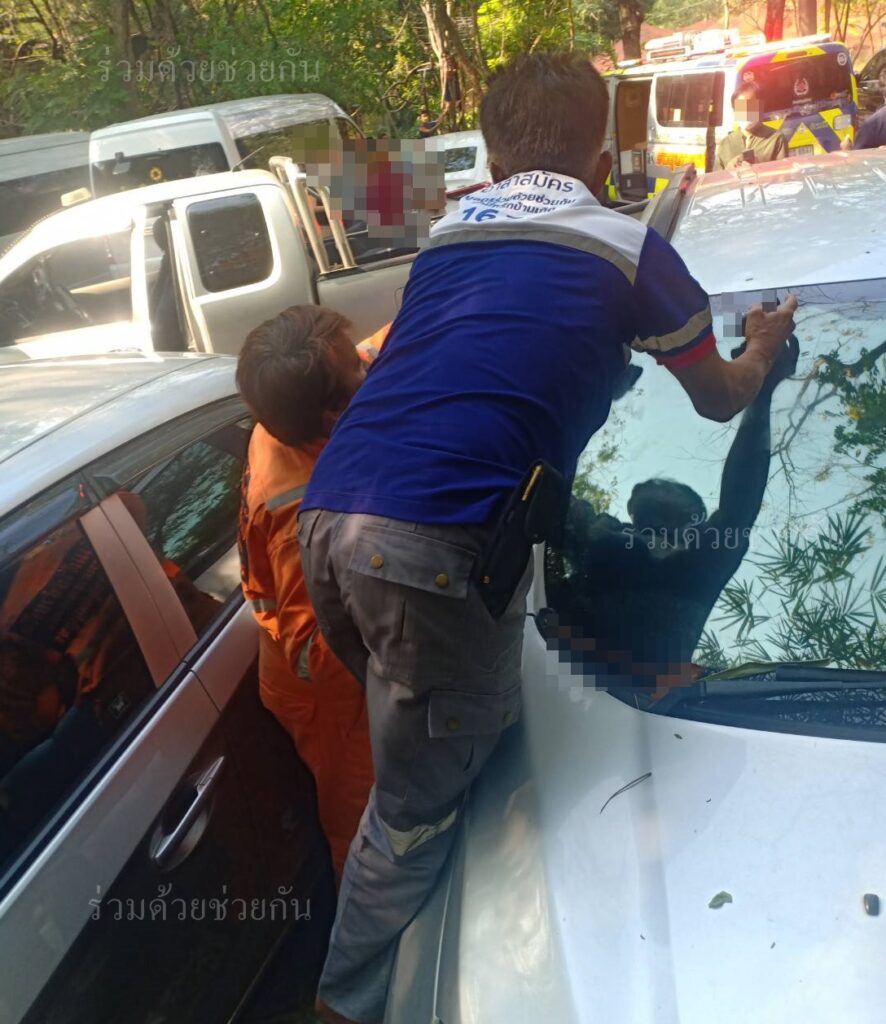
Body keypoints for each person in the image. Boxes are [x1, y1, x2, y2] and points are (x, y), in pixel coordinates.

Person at [299, 53, 798, 1024]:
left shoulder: (450, 235)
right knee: (415, 815)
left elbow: (479, 373)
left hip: (328, 518)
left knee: (425, 757)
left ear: (491, 164)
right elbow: (716, 404)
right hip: (429, 549)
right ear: (603, 161)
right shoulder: (631, 252)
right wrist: (763, 356)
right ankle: (341, 1002)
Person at [546, 336, 800, 691]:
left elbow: (739, 504)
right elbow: (550, 492)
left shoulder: (704, 557)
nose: (652, 488)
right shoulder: (603, 531)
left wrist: (761, 393)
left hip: (644, 701)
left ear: (693, 516)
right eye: (646, 493)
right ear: (633, 513)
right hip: (541, 667)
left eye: (667, 490)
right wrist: (592, 391)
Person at [236, 306, 374, 882]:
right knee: (362, 822)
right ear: (332, 414)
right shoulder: (301, 512)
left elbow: (371, 349)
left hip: (322, 678)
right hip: (328, 696)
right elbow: (316, 649)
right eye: (358, 369)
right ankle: (365, 921)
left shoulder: (284, 407)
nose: (368, 365)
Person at [716, 80, 788, 170]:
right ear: (734, 111)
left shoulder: (776, 139)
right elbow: (717, 177)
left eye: (751, 106)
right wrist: (729, 170)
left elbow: (783, 175)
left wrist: (760, 168)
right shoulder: (725, 145)